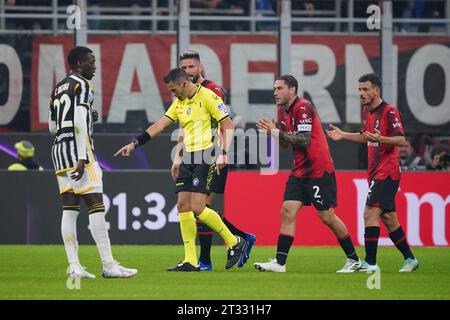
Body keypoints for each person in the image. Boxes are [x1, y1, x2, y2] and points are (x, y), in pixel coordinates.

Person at [114, 68, 247, 272]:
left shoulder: (208, 96)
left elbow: (228, 125)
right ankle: (190, 261)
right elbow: (161, 124)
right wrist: (135, 143)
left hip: (206, 155)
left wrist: (224, 152)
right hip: (188, 157)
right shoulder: (179, 102)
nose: (172, 94)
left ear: (184, 84)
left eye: (173, 89)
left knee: (198, 208)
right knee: (182, 205)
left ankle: (234, 241)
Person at [254, 75, 361, 273]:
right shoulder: (281, 110)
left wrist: (276, 132)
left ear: (292, 90)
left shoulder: (303, 107)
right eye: (274, 88)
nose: (275, 92)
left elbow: (303, 140)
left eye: (279, 88)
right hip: (300, 171)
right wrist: (273, 131)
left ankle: (354, 260)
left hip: (318, 170)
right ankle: (280, 263)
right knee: (287, 211)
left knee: (327, 217)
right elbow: (287, 143)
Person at [48, 46, 137, 279]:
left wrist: (88, 117)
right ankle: (108, 265)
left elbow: (52, 126)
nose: (94, 66)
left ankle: (75, 266)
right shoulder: (83, 85)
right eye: (90, 61)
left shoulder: (58, 87)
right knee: (96, 205)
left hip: (58, 150)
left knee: (70, 209)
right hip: (79, 153)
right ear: (78, 63)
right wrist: (81, 156)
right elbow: (78, 120)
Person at [326, 73, 419, 273]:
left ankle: (370, 262)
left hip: (387, 172)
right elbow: (365, 137)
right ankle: (410, 259)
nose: (361, 93)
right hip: (376, 172)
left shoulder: (389, 111)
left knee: (369, 212)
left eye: (365, 89)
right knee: (389, 219)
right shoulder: (368, 112)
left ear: (376, 90)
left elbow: (401, 140)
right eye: (359, 89)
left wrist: (382, 138)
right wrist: (343, 135)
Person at [177, 50, 256, 271]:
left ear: (200, 68)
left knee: (201, 208)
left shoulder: (213, 91)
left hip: (213, 155)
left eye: (191, 67)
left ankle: (207, 259)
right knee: (199, 209)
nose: (188, 71)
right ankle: (241, 238)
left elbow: (223, 123)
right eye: (184, 68)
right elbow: (187, 126)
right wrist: (178, 155)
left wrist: (223, 152)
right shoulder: (184, 93)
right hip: (195, 155)